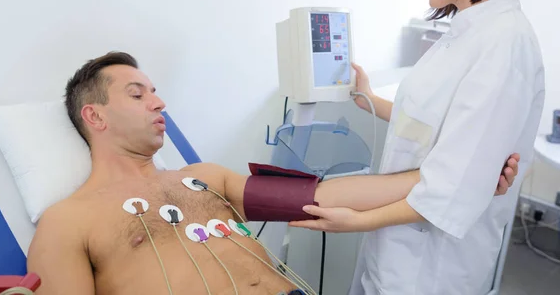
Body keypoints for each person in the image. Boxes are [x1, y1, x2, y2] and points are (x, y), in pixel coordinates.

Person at [27, 51, 520, 294]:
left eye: (154, 90)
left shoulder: (202, 177)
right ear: (95, 116)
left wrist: (462, 174)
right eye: (137, 94)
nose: (159, 102)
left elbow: (321, 196)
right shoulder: (67, 222)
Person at [289, 0, 546, 294]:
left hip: (431, 268)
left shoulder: (503, 44)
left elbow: (456, 184)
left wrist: (356, 221)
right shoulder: (466, 31)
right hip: (398, 251)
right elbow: (433, 127)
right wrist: (369, 100)